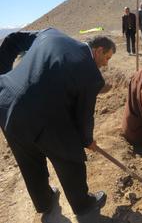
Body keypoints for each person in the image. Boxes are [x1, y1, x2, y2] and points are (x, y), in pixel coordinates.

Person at [0, 28, 116, 217]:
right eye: (107, 58)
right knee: (71, 158)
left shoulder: (51, 34)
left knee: (29, 163)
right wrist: (86, 140)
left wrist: (4, 76)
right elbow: (83, 116)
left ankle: (44, 203)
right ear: (99, 50)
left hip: (6, 104)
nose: (105, 65)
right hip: (42, 117)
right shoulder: (92, 75)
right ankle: (83, 205)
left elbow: (13, 40)